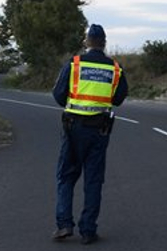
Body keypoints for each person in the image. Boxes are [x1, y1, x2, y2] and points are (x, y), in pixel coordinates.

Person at [51, 24, 128, 245]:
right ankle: (88, 230)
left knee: (66, 176)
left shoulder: (74, 64)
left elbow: (58, 95)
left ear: (86, 42)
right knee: (93, 181)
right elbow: (119, 99)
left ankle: (64, 224)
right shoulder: (115, 68)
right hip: (99, 130)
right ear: (104, 42)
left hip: (73, 128)